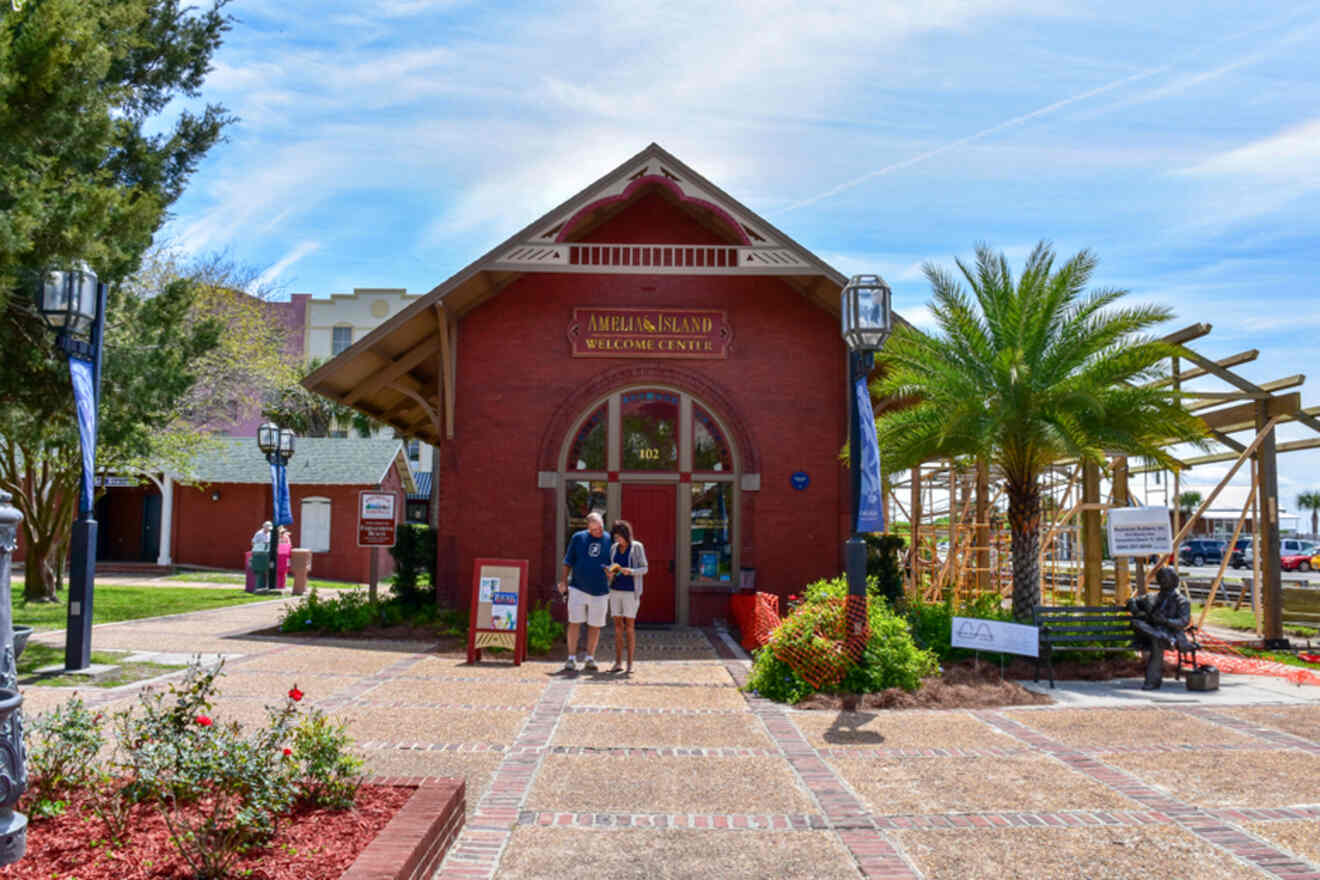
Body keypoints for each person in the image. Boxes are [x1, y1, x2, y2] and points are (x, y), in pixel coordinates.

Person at [558, 512, 612, 672]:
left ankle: (590, 658)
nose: (598, 532)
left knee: (595, 625)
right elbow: (568, 561)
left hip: (601, 590)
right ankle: (571, 658)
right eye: (595, 530)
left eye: (600, 528)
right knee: (574, 622)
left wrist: (612, 573)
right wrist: (564, 582)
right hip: (578, 588)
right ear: (588, 528)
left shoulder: (609, 539)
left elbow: (613, 563)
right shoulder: (578, 538)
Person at [1126, 566, 1193, 690]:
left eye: (1166, 578)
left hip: (1170, 633)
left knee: (1156, 644)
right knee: (1136, 623)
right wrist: (1136, 610)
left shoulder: (1182, 601)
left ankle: (1152, 682)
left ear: (1174, 580)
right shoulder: (1151, 597)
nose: (1163, 581)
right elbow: (1131, 601)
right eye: (1161, 578)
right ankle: (1160, 637)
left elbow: (1184, 621)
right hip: (1153, 633)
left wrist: (1166, 621)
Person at [606, 519, 648, 674]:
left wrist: (630, 571)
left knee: (629, 627)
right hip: (615, 590)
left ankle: (630, 664)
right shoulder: (613, 548)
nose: (618, 540)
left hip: (631, 592)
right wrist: (610, 572)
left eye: (620, 537)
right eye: (615, 537)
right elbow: (612, 567)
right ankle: (618, 663)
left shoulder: (637, 547)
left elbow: (645, 568)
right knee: (617, 628)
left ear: (626, 535)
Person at [250, 521, 272, 590]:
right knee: (260, 571)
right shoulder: (259, 534)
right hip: (259, 554)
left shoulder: (269, 534)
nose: (268, 530)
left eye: (269, 528)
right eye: (267, 528)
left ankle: (264, 587)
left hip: (266, 553)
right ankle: (258, 588)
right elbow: (253, 543)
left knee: (266, 570)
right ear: (264, 527)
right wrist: (260, 546)